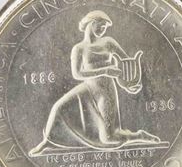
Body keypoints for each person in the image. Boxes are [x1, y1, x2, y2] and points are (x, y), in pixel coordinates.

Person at [28, 10, 161, 156]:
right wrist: (105, 70)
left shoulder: (108, 42)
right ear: (91, 23)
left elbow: (124, 64)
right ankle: (47, 142)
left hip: (106, 90)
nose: (103, 30)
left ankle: (139, 136)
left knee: (109, 139)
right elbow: (77, 74)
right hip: (88, 87)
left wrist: (127, 84)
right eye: (101, 26)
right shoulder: (79, 48)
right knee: (58, 107)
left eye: (105, 28)